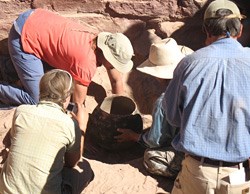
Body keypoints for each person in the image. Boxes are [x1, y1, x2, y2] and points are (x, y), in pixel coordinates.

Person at [163, 0, 250, 193]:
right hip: (238, 175)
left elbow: (172, 117)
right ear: (240, 29)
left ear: (206, 29)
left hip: (197, 172)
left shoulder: (189, 63)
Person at [0, 8, 134, 106]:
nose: (115, 67)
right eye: (115, 62)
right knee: (37, 99)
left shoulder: (100, 41)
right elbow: (77, 104)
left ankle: (7, 66)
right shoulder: (86, 62)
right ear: (106, 55)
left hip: (34, 17)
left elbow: (116, 81)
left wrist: (120, 104)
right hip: (23, 35)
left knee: (53, 74)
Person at [0, 69, 93, 193]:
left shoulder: (21, 111)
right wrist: (82, 127)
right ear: (66, 97)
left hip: (7, 190)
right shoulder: (70, 124)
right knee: (85, 171)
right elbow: (72, 163)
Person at [115, 38, 193, 178]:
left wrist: (134, 136)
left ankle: (185, 175)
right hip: (212, 145)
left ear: (159, 76)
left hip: (191, 154)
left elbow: (155, 141)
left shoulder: (164, 101)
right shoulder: (195, 82)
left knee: (150, 157)